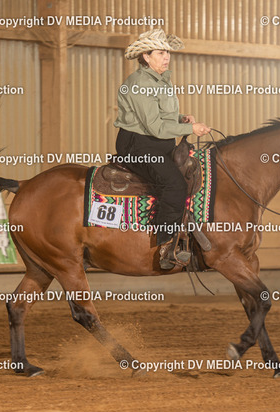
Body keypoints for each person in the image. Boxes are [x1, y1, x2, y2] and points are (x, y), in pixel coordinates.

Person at [114, 29, 211, 269]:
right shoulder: (139, 83)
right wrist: (189, 128)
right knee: (174, 184)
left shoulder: (160, 80)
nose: (166, 56)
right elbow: (155, 126)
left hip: (157, 143)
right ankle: (166, 247)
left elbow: (160, 115)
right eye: (160, 52)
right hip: (139, 145)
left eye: (167, 52)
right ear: (146, 57)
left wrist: (180, 118)